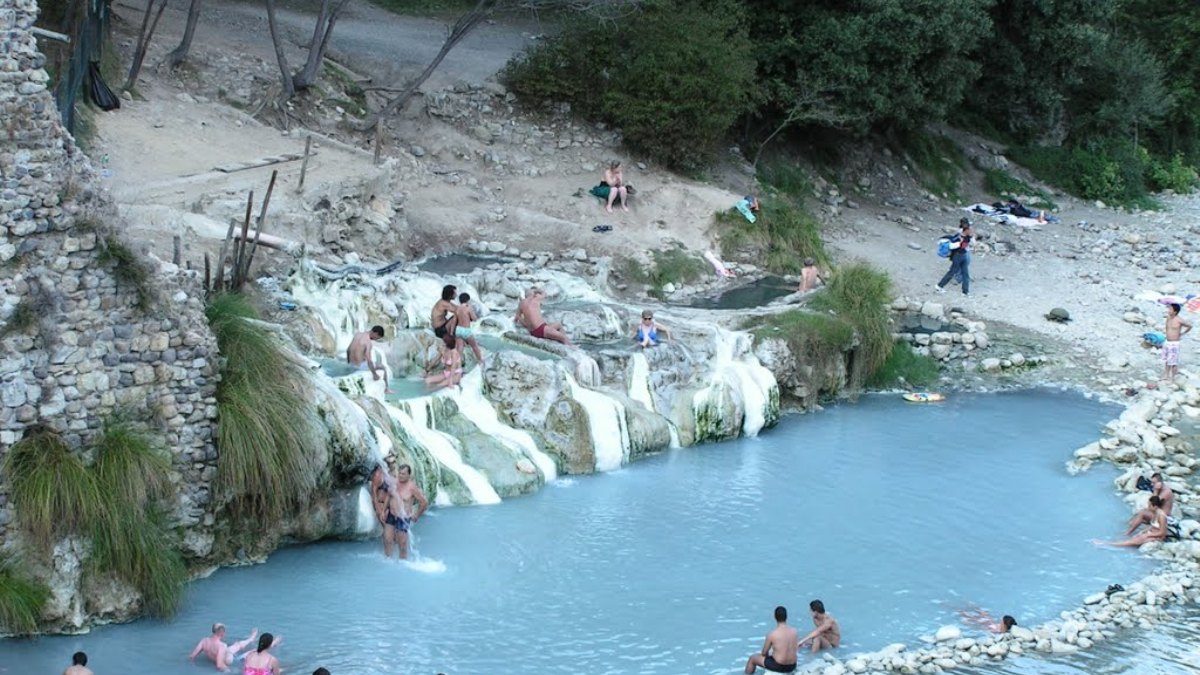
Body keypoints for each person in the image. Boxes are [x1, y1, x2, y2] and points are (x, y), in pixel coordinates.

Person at [389, 463, 429, 560]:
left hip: (403, 518)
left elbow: (424, 502)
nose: (400, 476)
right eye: (400, 473)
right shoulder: (395, 482)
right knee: (389, 540)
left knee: (402, 544)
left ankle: (402, 565)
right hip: (391, 515)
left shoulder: (412, 487)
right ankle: (389, 561)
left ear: (408, 475)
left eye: (403, 474)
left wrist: (417, 515)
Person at [1096, 496, 1167, 547]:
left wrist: (1148, 535)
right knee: (1136, 537)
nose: (1148, 507)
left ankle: (1107, 544)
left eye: (1149, 506)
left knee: (1134, 541)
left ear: (1155, 507)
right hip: (1153, 533)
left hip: (1158, 537)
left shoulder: (1161, 516)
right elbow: (1153, 526)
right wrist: (1144, 531)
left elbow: (1162, 532)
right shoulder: (1155, 513)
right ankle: (1111, 542)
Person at [744, 606, 798, 674]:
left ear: (775, 617)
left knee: (753, 658)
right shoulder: (794, 631)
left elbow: (764, 653)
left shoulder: (772, 634)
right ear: (786, 617)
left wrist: (769, 656)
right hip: (792, 666)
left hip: (779, 667)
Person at [189, 622, 259, 671]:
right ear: (222, 632)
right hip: (228, 660)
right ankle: (251, 638)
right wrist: (230, 671)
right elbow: (219, 665)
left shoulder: (204, 640)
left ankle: (251, 638)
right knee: (245, 648)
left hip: (219, 656)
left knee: (236, 645)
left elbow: (192, 656)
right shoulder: (221, 645)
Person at [935, 219, 972, 296]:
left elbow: (966, 244)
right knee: (951, 272)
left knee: (965, 274)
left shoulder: (967, 237)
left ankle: (965, 292)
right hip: (958, 257)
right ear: (966, 230)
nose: (971, 231)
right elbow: (952, 246)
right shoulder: (958, 237)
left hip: (964, 255)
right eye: (969, 230)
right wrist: (960, 243)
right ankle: (939, 286)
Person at [1162, 302, 1192, 382]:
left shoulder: (1179, 320)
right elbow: (1167, 327)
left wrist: (1182, 333)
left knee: (1173, 361)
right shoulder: (1168, 318)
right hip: (1167, 341)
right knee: (1166, 359)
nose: (1168, 310)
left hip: (1174, 343)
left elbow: (1190, 326)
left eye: (1170, 309)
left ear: (1175, 311)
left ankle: (1172, 378)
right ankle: (1166, 375)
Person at [455, 292, 485, 365]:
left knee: (460, 349)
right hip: (466, 330)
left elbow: (456, 320)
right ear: (467, 300)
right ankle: (481, 361)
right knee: (474, 346)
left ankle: (457, 365)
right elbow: (474, 318)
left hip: (458, 329)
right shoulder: (468, 307)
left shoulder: (457, 308)